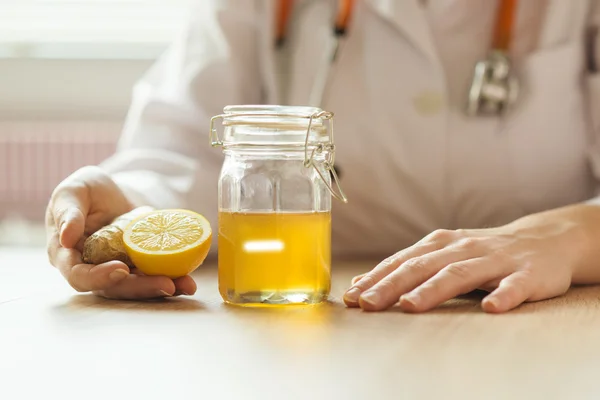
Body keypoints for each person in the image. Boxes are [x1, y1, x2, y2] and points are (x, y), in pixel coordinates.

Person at [46, 0, 600, 312]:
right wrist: (130, 211)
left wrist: (570, 235)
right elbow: (185, 149)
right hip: (333, 315)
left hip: (538, 321)